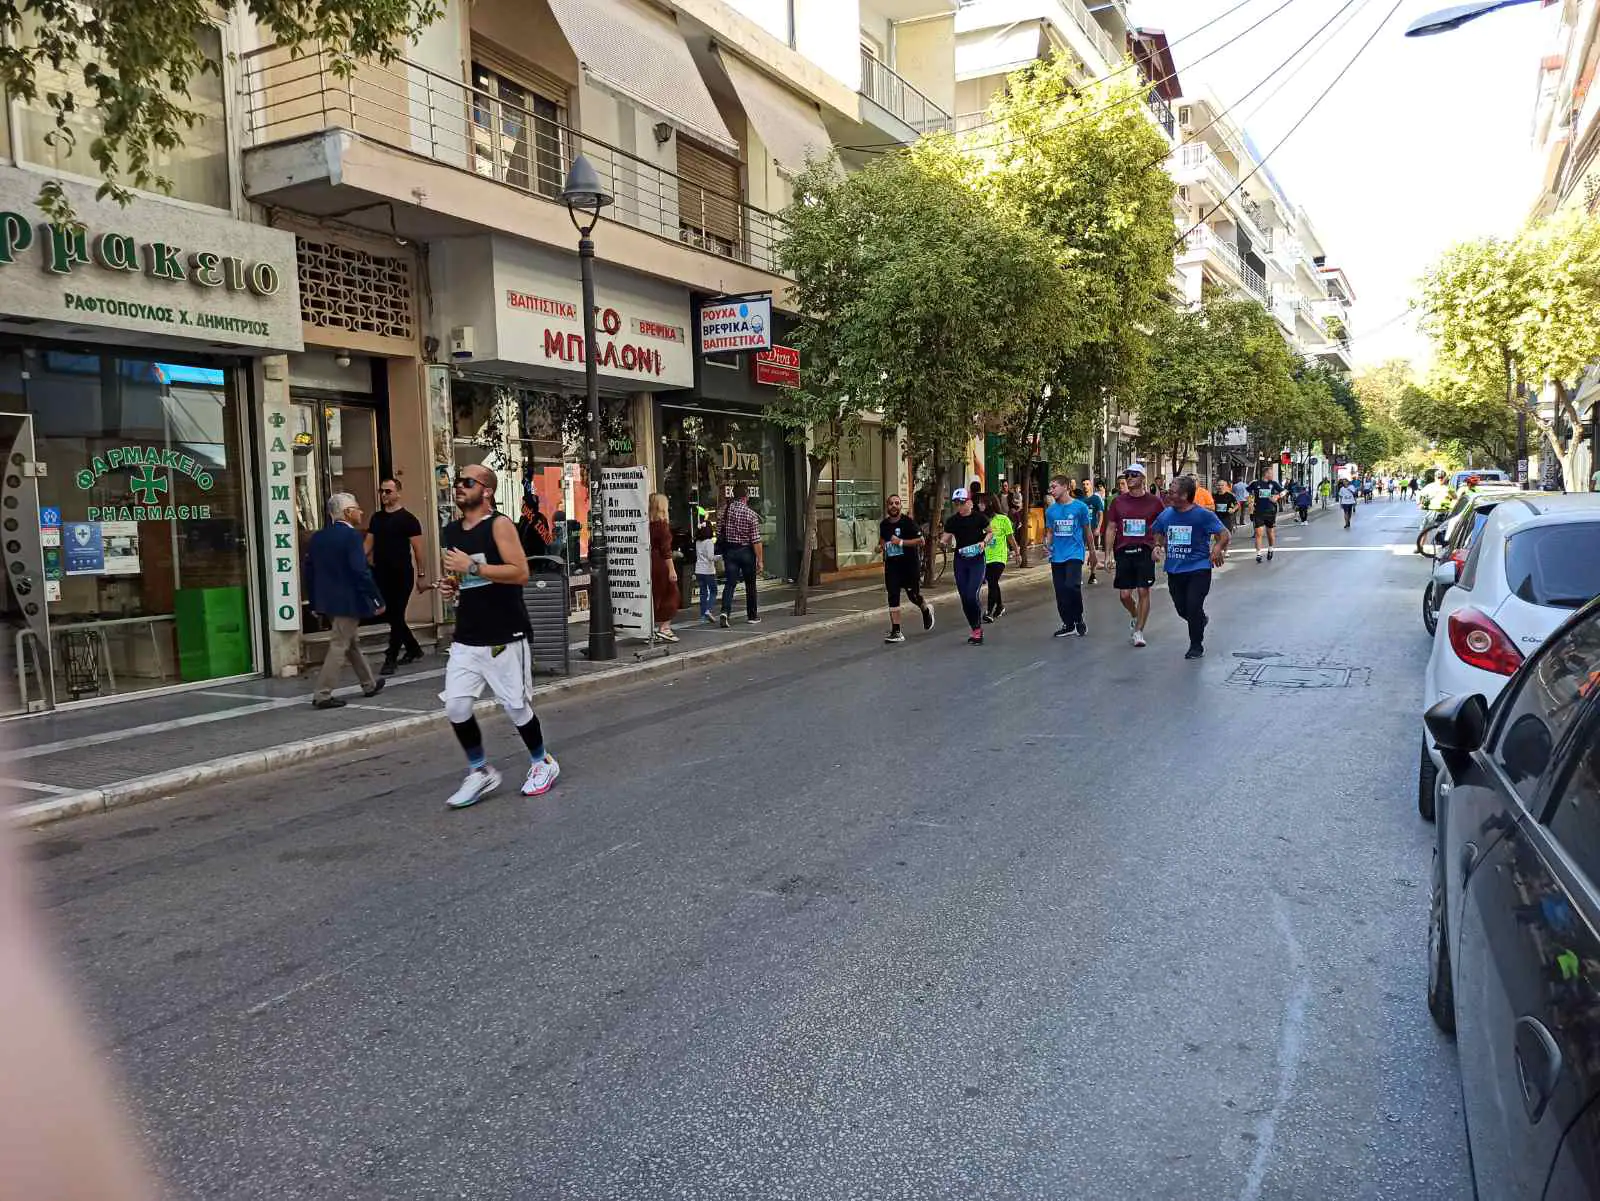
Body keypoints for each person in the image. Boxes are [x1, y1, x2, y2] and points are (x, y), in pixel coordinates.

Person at [438, 464, 557, 808]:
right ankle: (480, 771)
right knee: (456, 706)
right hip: (467, 634)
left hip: (504, 631)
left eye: (467, 482)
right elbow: (461, 578)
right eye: (458, 481)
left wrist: (472, 567)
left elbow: (520, 572)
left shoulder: (500, 525)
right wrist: (451, 586)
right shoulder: (451, 531)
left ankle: (542, 763)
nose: (459, 486)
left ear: (486, 491)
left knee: (516, 706)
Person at [306, 492, 386, 710]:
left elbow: (310, 571)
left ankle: (369, 683)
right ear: (348, 512)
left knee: (350, 642)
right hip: (348, 600)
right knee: (339, 644)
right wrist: (376, 598)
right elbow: (360, 571)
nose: (361, 512)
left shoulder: (318, 537)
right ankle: (323, 694)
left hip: (327, 600)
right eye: (357, 508)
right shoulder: (351, 537)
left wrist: (314, 602)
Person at [1153, 477, 1230, 660]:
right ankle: (1200, 620)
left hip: (1199, 568)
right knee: (1182, 609)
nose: (1168, 494)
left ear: (1184, 495)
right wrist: (1157, 545)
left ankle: (1196, 645)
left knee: (1193, 606)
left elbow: (1224, 533)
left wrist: (1217, 548)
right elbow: (1158, 531)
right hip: (1175, 570)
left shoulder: (1202, 515)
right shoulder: (1166, 514)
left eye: (1172, 492)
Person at [365, 477, 425, 676]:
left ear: (398, 493)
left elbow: (418, 550)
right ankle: (413, 648)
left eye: (388, 491)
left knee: (397, 614)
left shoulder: (408, 519)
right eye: (381, 491)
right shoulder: (376, 518)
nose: (384, 495)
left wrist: (422, 575)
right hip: (381, 574)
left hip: (402, 574)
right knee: (391, 615)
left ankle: (391, 657)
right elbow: (368, 545)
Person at [1103, 462, 1165, 648]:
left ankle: (1138, 631)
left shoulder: (1154, 502)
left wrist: (1158, 545)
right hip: (1123, 550)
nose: (1129, 478)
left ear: (1143, 478)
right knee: (1124, 595)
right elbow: (1111, 527)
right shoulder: (1118, 502)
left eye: (1134, 475)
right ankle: (1135, 614)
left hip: (1145, 550)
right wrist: (1107, 555)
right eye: (1127, 475)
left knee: (1143, 590)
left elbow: (1162, 526)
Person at [940, 487, 992, 645]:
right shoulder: (953, 521)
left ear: (970, 503)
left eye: (962, 503)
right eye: (956, 503)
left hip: (977, 560)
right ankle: (975, 627)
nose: (959, 506)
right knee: (964, 597)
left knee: (971, 594)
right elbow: (945, 537)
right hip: (961, 560)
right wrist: (942, 543)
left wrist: (984, 542)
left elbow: (990, 532)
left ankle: (977, 629)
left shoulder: (979, 518)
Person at [880, 493, 933, 643]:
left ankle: (925, 609)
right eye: (891, 503)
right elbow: (883, 539)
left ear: (900, 506)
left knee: (913, 596)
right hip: (892, 566)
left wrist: (901, 542)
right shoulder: (884, 524)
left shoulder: (908, 523)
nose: (894, 506)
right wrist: (881, 547)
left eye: (896, 503)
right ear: (887, 506)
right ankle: (896, 631)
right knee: (893, 596)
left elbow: (921, 541)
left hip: (909, 565)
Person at [1045, 475, 1094, 638]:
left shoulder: (1080, 507)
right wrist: (1047, 545)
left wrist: (1092, 553)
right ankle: (1068, 623)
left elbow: (1087, 530)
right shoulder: (1051, 511)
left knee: (1072, 585)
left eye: (1054, 487)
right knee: (1060, 591)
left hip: (1075, 553)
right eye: (1050, 488)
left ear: (1066, 486)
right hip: (1057, 555)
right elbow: (1050, 531)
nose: (1051, 490)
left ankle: (1078, 618)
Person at [718, 482, 763, 628]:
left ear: (734, 495)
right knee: (750, 584)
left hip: (730, 551)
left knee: (730, 583)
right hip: (746, 552)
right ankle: (752, 615)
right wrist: (760, 560)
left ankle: (725, 612)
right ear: (746, 496)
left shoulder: (724, 511)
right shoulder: (751, 514)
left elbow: (719, 532)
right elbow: (756, 540)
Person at [982, 492, 1018, 621]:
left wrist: (1017, 553)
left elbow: (1011, 538)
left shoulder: (1003, 519)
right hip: (985, 557)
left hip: (999, 557)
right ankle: (1000, 606)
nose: (979, 505)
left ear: (989, 504)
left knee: (992, 581)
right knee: (993, 583)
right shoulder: (981, 520)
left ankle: (989, 611)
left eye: (982, 503)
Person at [649, 492, 678, 643]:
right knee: (671, 594)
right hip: (660, 563)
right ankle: (665, 627)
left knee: (653, 595)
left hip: (648, 561)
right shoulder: (662, 526)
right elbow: (666, 550)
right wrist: (672, 569)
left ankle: (649, 629)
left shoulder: (646, 525)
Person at [1247, 467, 1284, 564]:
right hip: (1258, 511)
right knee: (1258, 533)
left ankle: (1270, 549)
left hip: (1270, 511)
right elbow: (1250, 494)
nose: (1272, 475)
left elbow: (1284, 491)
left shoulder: (1274, 483)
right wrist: (1250, 504)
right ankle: (1258, 554)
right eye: (1271, 473)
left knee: (1270, 532)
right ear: (1266, 474)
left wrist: (1277, 496)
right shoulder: (1255, 483)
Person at [1080, 479, 1106, 585]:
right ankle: (1079, 575)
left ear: (1091, 486)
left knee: (1092, 552)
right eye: (1083, 484)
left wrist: (1098, 528)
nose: (1085, 486)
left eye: (1087, 484)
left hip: (1092, 529)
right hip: (1081, 530)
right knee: (1080, 552)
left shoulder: (1096, 499)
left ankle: (1093, 574)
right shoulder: (1079, 500)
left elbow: (1100, 514)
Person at [693, 515, 717, 625]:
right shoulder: (709, 542)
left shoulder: (697, 542)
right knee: (713, 591)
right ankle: (708, 610)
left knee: (703, 592)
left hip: (699, 570)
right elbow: (711, 557)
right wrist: (721, 557)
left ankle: (703, 615)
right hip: (708, 570)